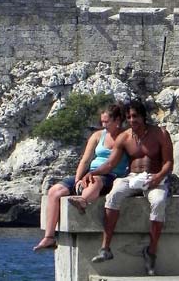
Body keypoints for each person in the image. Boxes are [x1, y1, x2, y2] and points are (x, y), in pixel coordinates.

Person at [83, 100, 173, 276]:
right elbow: (110, 164)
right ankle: (105, 248)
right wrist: (91, 173)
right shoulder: (124, 137)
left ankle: (151, 252)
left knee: (159, 201)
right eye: (129, 117)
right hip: (132, 177)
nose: (132, 120)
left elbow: (169, 162)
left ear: (143, 116)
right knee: (114, 194)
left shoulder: (160, 134)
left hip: (155, 177)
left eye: (135, 116)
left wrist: (158, 177)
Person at [33, 102, 129, 251]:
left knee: (95, 181)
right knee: (54, 191)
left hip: (110, 175)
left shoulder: (126, 137)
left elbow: (114, 163)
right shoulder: (98, 136)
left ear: (117, 120)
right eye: (102, 121)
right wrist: (78, 179)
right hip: (90, 172)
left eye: (107, 122)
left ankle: (83, 200)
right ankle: (49, 237)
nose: (103, 125)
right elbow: (85, 160)